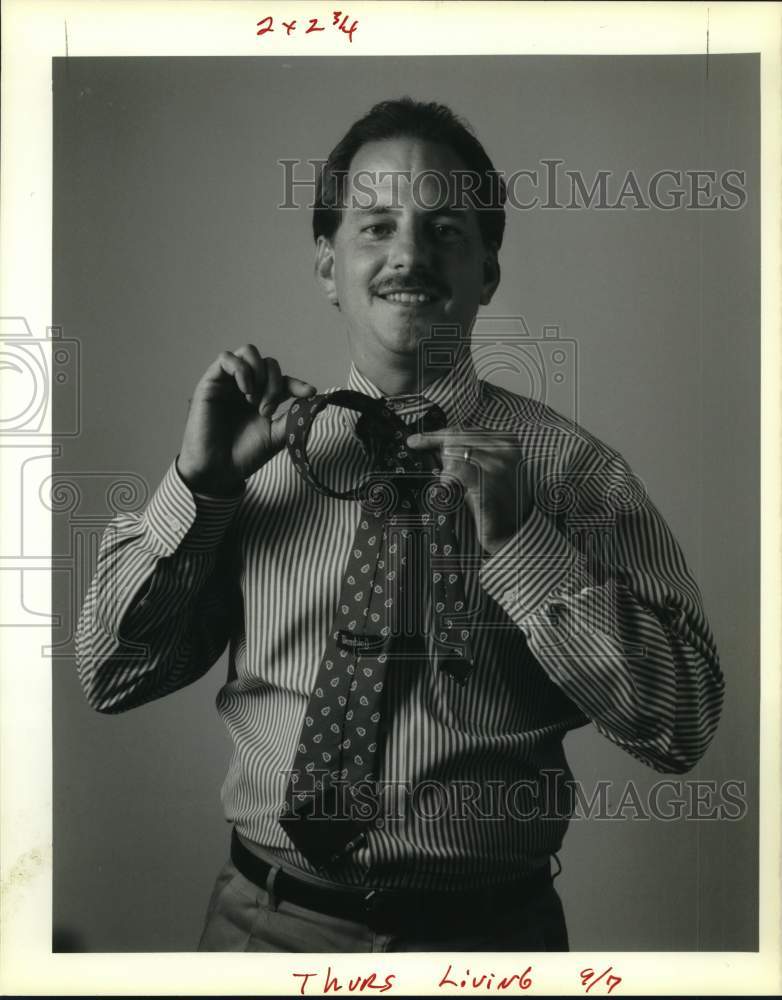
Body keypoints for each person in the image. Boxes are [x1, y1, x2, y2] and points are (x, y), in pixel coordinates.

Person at [75, 98, 724, 953]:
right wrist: (200, 487)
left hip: (493, 941)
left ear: (488, 271)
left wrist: (524, 543)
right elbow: (112, 678)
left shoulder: (574, 471)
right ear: (326, 265)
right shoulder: (252, 462)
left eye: (447, 229)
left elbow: (681, 726)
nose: (410, 255)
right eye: (376, 226)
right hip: (265, 928)